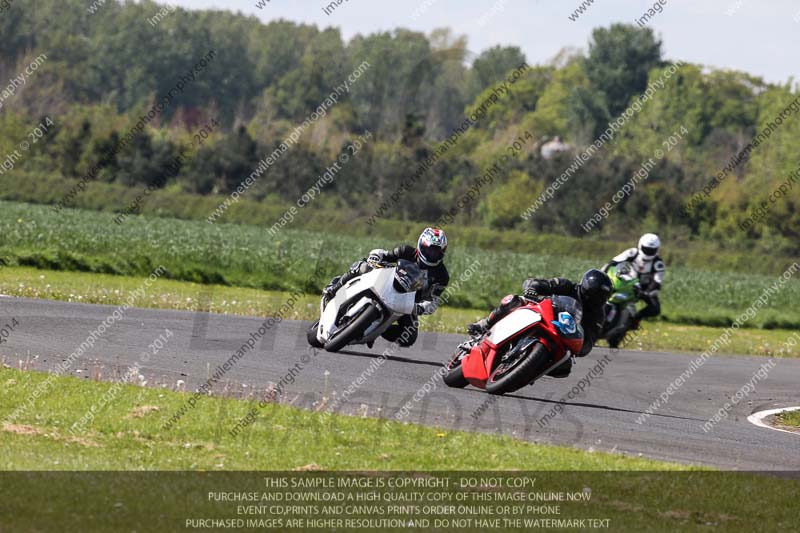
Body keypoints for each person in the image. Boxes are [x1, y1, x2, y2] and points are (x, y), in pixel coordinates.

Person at [467, 269, 612, 378]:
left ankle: (525, 370)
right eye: (593, 294)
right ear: (585, 287)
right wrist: (532, 289)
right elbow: (536, 283)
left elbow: (588, 344)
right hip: (541, 314)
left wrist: (577, 345)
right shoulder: (567, 286)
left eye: (600, 296)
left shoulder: (598, 316)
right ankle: (484, 324)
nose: (595, 299)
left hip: (561, 337)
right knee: (515, 300)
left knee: (564, 366)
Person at [322, 227, 449, 347]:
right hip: (386, 282)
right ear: (421, 245)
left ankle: (377, 330)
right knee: (363, 266)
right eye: (430, 249)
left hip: (408, 301)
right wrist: (375, 257)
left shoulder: (442, 275)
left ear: (442, 252)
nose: (432, 254)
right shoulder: (406, 251)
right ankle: (334, 288)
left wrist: (421, 308)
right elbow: (383, 254)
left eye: (436, 251)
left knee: (409, 337)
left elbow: (433, 299)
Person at [601, 233, 665, 341]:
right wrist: (603, 274)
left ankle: (635, 319)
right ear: (640, 245)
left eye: (651, 250)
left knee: (655, 308)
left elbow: (657, 282)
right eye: (646, 249)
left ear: (656, 249)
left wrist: (647, 293)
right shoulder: (632, 253)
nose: (648, 252)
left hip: (643, 289)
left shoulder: (658, 263)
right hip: (626, 282)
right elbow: (613, 262)